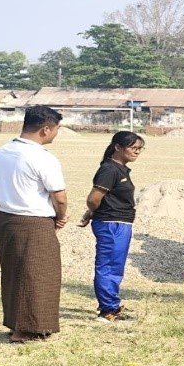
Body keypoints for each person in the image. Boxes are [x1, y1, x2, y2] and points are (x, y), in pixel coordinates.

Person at [0, 105, 68, 343]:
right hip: (33, 222)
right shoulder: (42, 158)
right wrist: (61, 216)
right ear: (45, 129)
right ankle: (26, 329)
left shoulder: (4, 151)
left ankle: (18, 322)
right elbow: (59, 196)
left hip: (5, 218)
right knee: (38, 275)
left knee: (14, 273)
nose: (56, 134)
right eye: (56, 129)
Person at [77, 131, 144, 322]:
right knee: (109, 266)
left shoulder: (120, 169)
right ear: (118, 147)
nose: (137, 152)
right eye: (133, 148)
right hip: (111, 224)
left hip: (119, 223)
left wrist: (91, 213)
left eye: (140, 149)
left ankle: (112, 305)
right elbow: (93, 199)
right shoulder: (109, 170)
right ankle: (108, 310)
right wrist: (92, 212)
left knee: (115, 266)